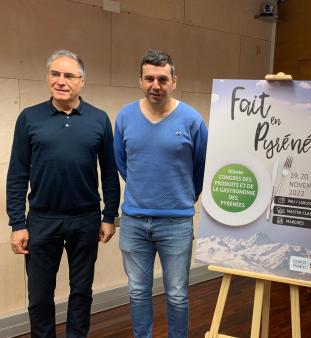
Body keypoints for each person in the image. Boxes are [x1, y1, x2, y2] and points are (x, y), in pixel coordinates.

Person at [7, 50, 120, 338]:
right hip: (42, 221)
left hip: (86, 220)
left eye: (69, 75)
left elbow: (109, 172)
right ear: (48, 78)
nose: (61, 81)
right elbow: (17, 174)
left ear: (82, 81)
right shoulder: (29, 118)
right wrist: (17, 223)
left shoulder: (98, 119)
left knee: (82, 291)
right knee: (40, 295)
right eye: (55, 74)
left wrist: (109, 216)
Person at [113, 49, 208, 338]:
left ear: (174, 81)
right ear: (140, 80)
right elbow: (122, 162)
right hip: (133, 222)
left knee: (177, 294)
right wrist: (145, 189)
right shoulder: (126, 116)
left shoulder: (192, 119)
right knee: (138, 292)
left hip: (176, 224)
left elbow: (200, 167)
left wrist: (179, 198)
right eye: (149, 78)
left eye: (162, 79)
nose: (156, 85)